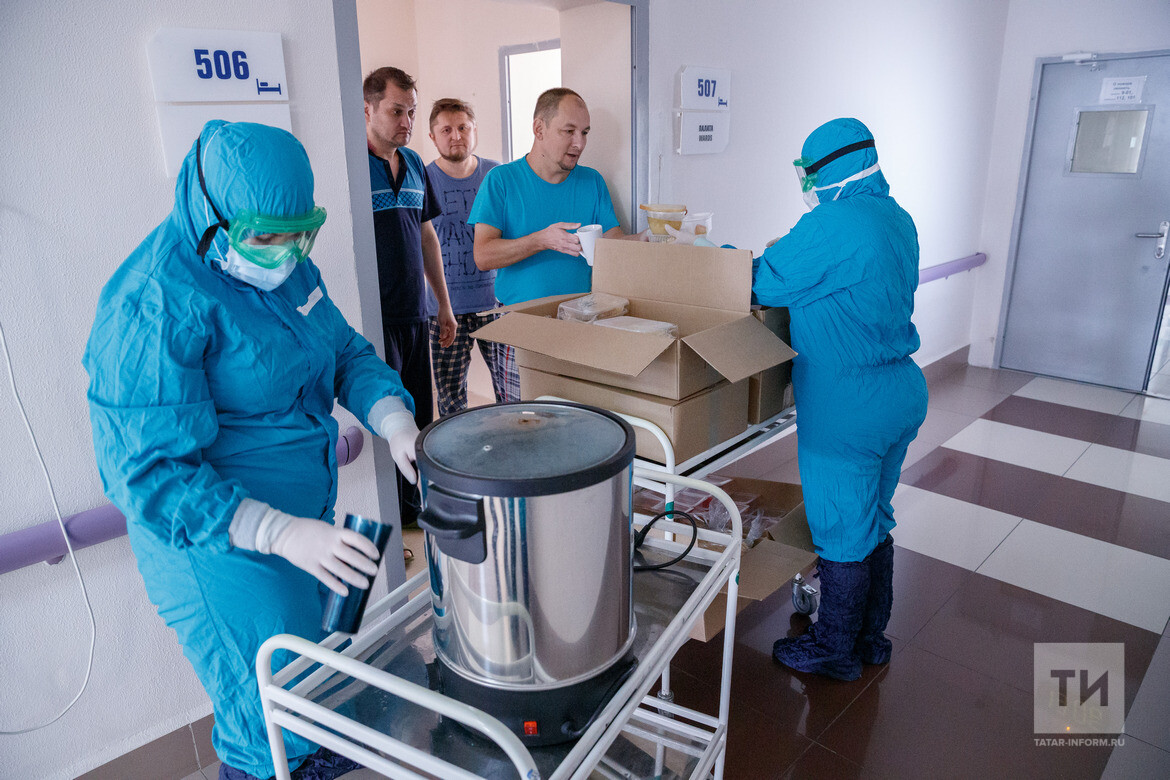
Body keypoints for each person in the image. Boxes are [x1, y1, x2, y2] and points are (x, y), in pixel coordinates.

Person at [84, 120, 422, 780]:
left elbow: (344, 353)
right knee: (267, 717)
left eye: (301, 234)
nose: (286, 255)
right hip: (216, 544)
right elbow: (151, 472)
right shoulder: (152, 303)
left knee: (315, 677)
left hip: (303, 521)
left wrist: (394, 420)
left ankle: (316, 755)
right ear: (212, 218)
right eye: (267, 238)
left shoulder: (284, 264)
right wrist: (278, 532)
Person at [753, 118, 928, 682]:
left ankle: (833, 648)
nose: (805, 184)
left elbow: (762, 282)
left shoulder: (831, 224)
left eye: (807, 173)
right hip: (899, 391)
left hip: (847, 407)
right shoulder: (896, 217)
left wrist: (729, 255)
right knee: (873, 517)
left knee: (840, 530)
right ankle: (870, 639)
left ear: (828, 170)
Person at [468, 87, 625, 401]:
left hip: (582, 321)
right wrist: (541, 240)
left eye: (585, 132)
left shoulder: (592, 181)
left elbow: (613, 242)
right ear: (539, 129)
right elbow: (483, 255)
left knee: (577, 417)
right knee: (523, 419)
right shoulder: (501, 180)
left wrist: (649, 240)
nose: (579, 143)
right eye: (569, 131)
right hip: (521, 325)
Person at [364, 66, 456, 527]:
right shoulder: (352, 166)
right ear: (368, 110)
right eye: (396, 111)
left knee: (419, 416)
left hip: (416, 315)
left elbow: (426, 237)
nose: (407, 121)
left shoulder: (417, 164)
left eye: (412, 112)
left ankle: (416, 509)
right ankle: (391, 516)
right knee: (387, 418)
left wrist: (444, 304)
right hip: (374, 319)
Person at [424, 98, 505, 414]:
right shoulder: (423, 179)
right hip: (443, 309)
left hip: (495, 304)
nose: (456, 136)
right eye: (446, 130)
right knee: (451, 399)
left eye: (463, 127)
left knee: (512, 393)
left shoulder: (495, 175)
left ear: (475, 130)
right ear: (433, 136)